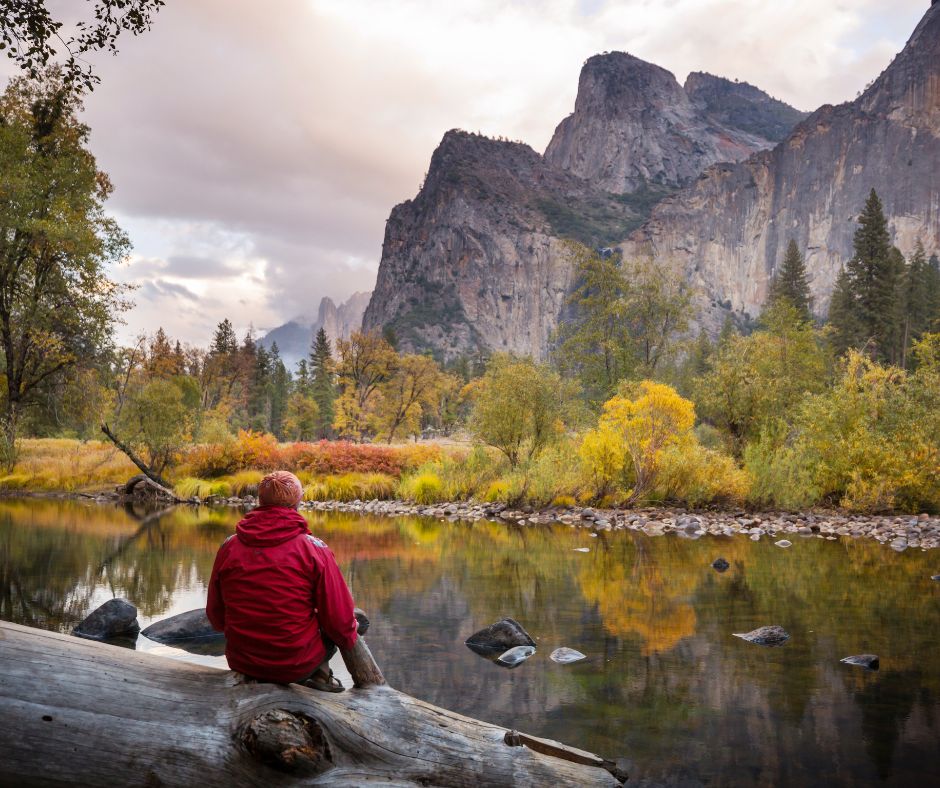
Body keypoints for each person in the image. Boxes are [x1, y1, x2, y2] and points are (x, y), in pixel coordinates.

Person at [206, 470, 358, 691]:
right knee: (339, 622)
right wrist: (350, 638)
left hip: (243, 661)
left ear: (260, 500)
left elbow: (216, 616)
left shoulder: (229, 546)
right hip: (296, 664)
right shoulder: (314, 549)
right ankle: (321, 677)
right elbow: (340, 621)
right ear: (298, 502)